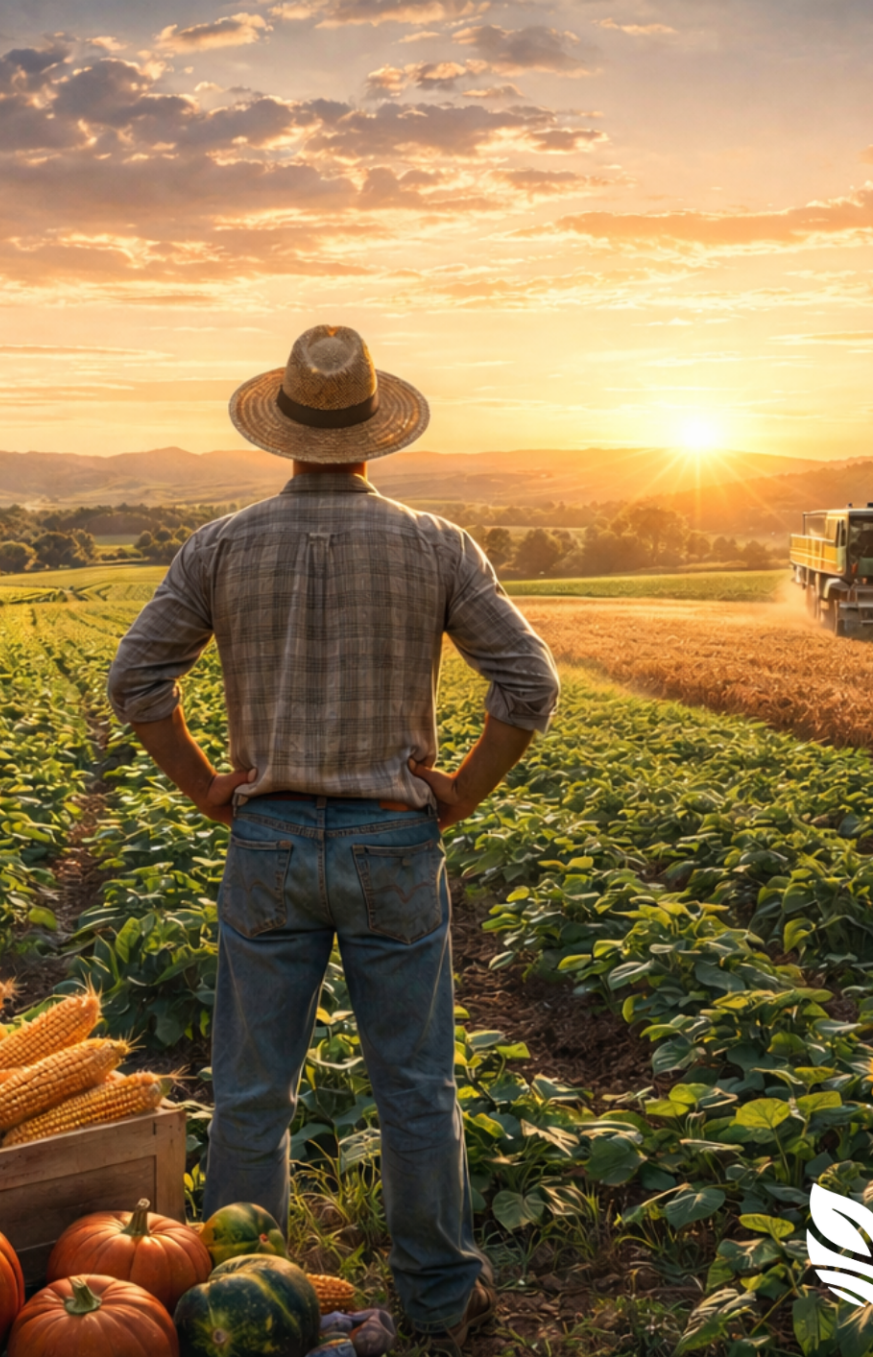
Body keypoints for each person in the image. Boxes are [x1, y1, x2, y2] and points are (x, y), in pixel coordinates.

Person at [107, 324, 560, 1351]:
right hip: (392, 842)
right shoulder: (436, 543)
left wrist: (206, 788)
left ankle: (238, 1294)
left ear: (284, 433)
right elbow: (530, 683)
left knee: (253, 1089)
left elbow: (135, 680)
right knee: (415, 1082)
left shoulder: (221, 544)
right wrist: (462, 793)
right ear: (373, 433)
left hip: (266, 842)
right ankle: (441, 1297)